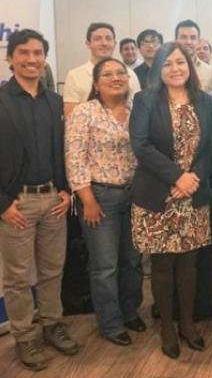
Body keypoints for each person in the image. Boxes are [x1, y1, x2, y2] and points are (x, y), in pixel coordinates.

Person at [0, 29, 78, 371]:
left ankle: (52, 325)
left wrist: (66, 189)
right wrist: (1, 203)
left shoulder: (54, 102)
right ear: (10, 58)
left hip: (54, 200)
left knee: (52, 271)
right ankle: (24, 336)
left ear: (45, 58)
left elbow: (63, 151)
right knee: (18, 276)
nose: (32, 59)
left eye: (38, 53)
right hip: (15, 204)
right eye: (24, 53)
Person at [129, 42, 212, 359]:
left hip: (192, 196)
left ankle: (188, 323)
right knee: (163, 265)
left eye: (180, 62)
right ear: (158, 69)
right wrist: (177, 176)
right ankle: (167, 325)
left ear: (190, 66)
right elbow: (141, 145)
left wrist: (192, 179)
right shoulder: (145, 100)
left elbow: (210, 149)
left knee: (189, 264)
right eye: (168, 64)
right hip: (157, 195)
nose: (175, 69)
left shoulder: (205, 101)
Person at [65, 57, 144, 347]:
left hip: (135, 194)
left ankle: (130, 310)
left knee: (133, 261)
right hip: (100, 197)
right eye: (108, 74)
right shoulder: (84, 112)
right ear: (96, 84)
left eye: (121, 73)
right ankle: (110, 323)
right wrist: (87, 199)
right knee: (105, 265)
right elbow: (75, 158)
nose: (116, 78)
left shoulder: (138, 111)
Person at [62, 22, 141, 116]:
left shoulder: (129, 74)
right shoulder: (75, 75)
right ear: (88, 44)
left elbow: (139, 110)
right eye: (97, 39)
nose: (104, 43)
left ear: (114, 43)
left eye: (108, 38)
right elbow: (70, 115)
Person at [174, 19, 212, 93]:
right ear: (176, 40)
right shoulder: (167, 70)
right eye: (184, 37)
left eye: (193, 38)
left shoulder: (211, 73)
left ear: (198, 41)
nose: (188, 42)